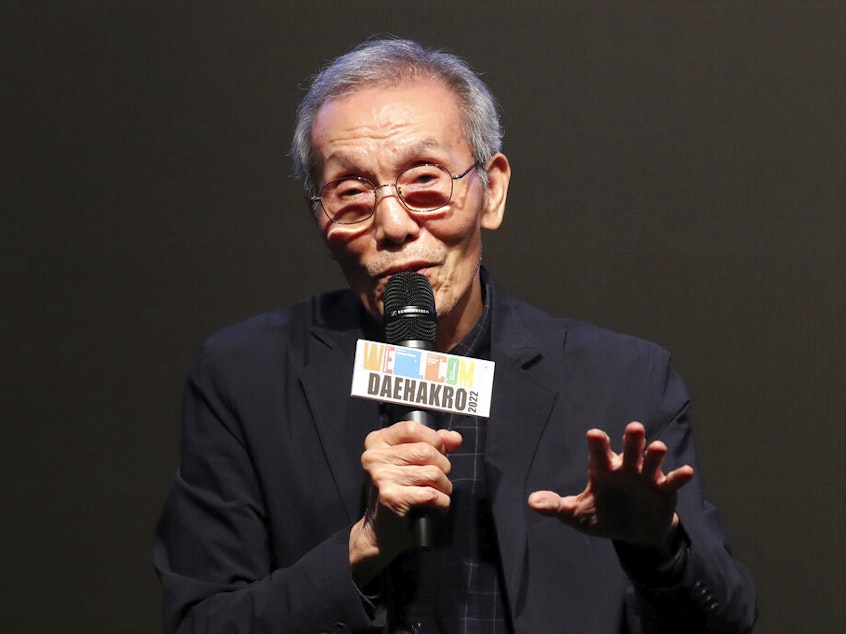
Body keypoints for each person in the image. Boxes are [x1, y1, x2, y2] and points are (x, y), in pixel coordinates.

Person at [154, 38, 756, 633]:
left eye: (424, 181)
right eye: (352, 193)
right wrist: (363, 547)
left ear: (490, 190)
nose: (393, 224)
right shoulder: (246, 377)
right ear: (320, 217)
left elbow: (729, 619)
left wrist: (658, 547)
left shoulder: (623, 380)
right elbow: (202, 622)